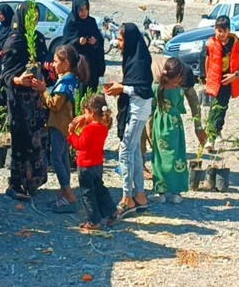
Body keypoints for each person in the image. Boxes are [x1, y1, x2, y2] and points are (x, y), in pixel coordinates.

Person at [0, 2, 49, 200]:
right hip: (19, 101)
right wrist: (18, 80)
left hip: (36, 99)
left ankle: (33, 181)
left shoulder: (37, 38)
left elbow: (45, 64)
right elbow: (4, 73)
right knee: (21, 140)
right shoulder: (14, 40)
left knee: (37, 140)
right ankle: (16, 183)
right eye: (30, 17)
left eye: (36, 17)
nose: (34, 21)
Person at [32, 45, 89, 213]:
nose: (53, 65)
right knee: (63, 158)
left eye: (56, 62)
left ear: (66, 63)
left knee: (56, 159)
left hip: (59, 124)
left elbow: (55, 105)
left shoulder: (65, 82)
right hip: (66, 125)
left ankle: (69, 195)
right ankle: (64, 191)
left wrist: (43, 91)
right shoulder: (71, 79)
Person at [104, 23, 153, 217]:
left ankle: (127, 198)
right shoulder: (133, 57)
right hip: (135, 109)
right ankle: (140, 196)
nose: (118, 43)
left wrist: (122, 89)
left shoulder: (140, 61)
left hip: (137, 110)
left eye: (122, 39)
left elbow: (143, 89)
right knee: (134, 153)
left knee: (125, 151)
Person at [67, 94, 119, 232]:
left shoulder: (89, 129)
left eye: (85, 112)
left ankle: (94, 221)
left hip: (86, 165)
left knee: (88, 193)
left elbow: (79, 145)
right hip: (97, 164)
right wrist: (85, 119)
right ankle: (111, 210)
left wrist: (71, 133)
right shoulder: (103, 126)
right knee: (99, 189)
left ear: (90, 112)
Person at [150, 57, 190, 204]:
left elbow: (152, 106)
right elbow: (180, 107)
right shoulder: (179, 91)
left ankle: (160, 191)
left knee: (159, 157)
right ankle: (176, 192)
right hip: (174, 124)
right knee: (177, 155)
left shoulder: (155, 88)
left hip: (159, 124)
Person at [203, 15, 239, 152]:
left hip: (228, 81)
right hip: (215, 80)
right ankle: (212, 136)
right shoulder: (210, 43)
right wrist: (207, 78)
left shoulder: (236, 43)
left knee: (222, 107)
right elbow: (207, 61)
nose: (221, 34)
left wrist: (235, 75)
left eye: (224, 31)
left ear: (229, 30)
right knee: (214, 107)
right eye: (218, 31)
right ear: (215, 29)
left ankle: (214, 133)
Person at [61, 0, 106, 91]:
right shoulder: (71, 24)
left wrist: (95, 42)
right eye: (81, 10)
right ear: (76, 10)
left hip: (91, 64)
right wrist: (77, 41)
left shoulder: (91, 22)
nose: (84, 13)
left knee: (91, 91)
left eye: (86, 9)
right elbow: (65, 44)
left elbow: (99, 40)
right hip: (77, 66)